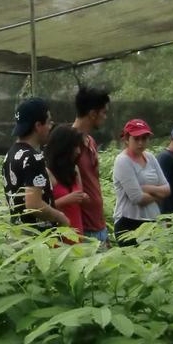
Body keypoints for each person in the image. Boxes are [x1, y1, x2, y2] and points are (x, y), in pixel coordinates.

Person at [2, 97, 69, 228]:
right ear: (38, 126)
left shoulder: (11, 154)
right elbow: (34, 204)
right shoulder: (32, 157)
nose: (51, 127)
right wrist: (60, 217)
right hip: (39, 238)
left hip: (19, 234)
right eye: (49, 122)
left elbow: (51, 182)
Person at [112, 118, 171, 244]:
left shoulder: (150, 157)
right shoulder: (123, 161)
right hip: (129, 223)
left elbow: (167, 189)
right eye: (136, 138)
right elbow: (137, 198)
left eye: (144, 138)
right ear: (127, 139)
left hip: (153, 221)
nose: (141, 143)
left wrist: (145, 188)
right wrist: (158, 195)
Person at [72, 86, 110, 242]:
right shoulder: (68, 143)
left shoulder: (91, 141)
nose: (105, 117)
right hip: (83, 230)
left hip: (99, 226)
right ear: (93, 114)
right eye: (104, 112)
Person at [45, 125, 89, 237]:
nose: (78, 151)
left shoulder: (74, 169)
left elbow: (79, 197)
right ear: (63, 147)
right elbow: (40, 208)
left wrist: (83, 197)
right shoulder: (47, 173)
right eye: (75, 147)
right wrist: (66, 200)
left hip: (78, 232)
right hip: (59, 237)